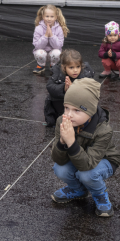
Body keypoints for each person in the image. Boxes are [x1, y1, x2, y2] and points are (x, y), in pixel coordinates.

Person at [51, 78, 120, 217]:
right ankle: (79, 190)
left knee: (87, 174)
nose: (69, 115)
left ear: (91, 111)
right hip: (80, 157)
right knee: (60, 168)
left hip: (105, 160)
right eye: (66, 108)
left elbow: (88, 165)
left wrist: (71, 142)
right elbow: (57, 158)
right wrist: (62, 143)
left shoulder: (104, 130)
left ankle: (100, 194)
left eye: (77, 110)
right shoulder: (61, 121)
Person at [45, 49, 94, 127]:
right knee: (53, 98)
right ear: (64, 67)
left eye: (78, 66)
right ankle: (61, 117)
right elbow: (50, 87)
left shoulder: (85, 74)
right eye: (71, 67)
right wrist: (63, 89)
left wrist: (73, 89)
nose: (75, 70)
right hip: (61, 105)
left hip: (79, 106)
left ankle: (80, 120)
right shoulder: (58, 74)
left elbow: (91, 90)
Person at [32, 4, 69, 75]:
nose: (49, 19)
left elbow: (58, 46)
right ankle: (41, 65)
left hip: (53, 54)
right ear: (43, 17)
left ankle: (53, 66)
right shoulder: (38, 28)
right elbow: (37, 46)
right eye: (47, 16)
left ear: (56, 17)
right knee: (39, 52)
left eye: (52, 16)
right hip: (42, 54)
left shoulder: (59, 29)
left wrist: (51, 35)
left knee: (57, 52)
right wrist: (45, 36)